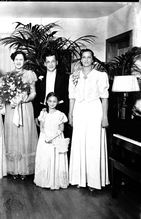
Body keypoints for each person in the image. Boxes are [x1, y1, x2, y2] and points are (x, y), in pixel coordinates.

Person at [68, 49, 110, 191]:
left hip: (94, 111)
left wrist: (104, 117)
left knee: (93, 144)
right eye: (83, 57)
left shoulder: (101, 75)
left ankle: (93, 181)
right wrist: (70, 114)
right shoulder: (74, 76)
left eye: (89, 57)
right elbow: (72, 97)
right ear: (80, 60)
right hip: (79, 110)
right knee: (80, 142)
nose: (86, 60)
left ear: (93, 60)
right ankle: (80, 179)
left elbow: (104, 97)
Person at [4, 51, 38, 180]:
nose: (18, 61)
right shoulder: (8, 76)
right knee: (13, 136)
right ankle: (13, 169)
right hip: (12, 108)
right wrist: (11, 100)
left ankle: (24, 169)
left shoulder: (30, 74)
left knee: (25, 135)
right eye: (16, 59)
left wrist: (25, 99)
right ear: (13, 60)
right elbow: (4, 94)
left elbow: (34, 92)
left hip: (25, 107)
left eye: (21, 59)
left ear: (24, 61)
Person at [34, 92, 69, 190]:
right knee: (46, 158)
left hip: (56, 138)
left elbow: (61, 128)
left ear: (57, 102)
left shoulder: (60, 114)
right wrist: (46, 136)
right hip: (45, 138)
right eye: (50, 101)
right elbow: (41, 126)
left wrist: (53, 136)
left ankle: (55, 181)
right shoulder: (43, 113)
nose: (52, 103)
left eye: (54, 101)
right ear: (47, 102)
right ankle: (45, 180)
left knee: (55, 158)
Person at [33, 52, 69, 136]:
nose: (50, 64)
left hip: (59, 111)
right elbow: (37, 97)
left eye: (53, 61)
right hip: (43, 111)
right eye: (48, 62)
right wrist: (36, 115)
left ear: (57, 62)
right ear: (45, 64)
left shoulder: (65, 77)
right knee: (44, 136)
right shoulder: (39, 77)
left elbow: (67, 97)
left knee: (58, 137)